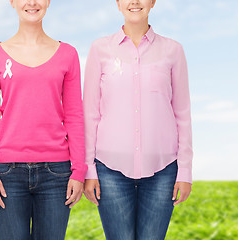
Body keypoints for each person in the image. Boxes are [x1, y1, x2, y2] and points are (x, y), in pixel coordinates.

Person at [82, 0, 193, 239]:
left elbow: (182, 114)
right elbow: (90, 114)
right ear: (118, 3)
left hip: (163, 170)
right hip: (109, 171)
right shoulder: (99, 49)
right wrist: (88, 168)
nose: (134, 2)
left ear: (152, 2)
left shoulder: (173, 50)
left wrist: (184, 171)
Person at [0, 0, 86, 239]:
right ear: (13, 2)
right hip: (7, 174)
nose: (32, 2)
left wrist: (79, 170)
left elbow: (74, 116)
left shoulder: (67, 54)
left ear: (48, 2)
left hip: (57, 173)